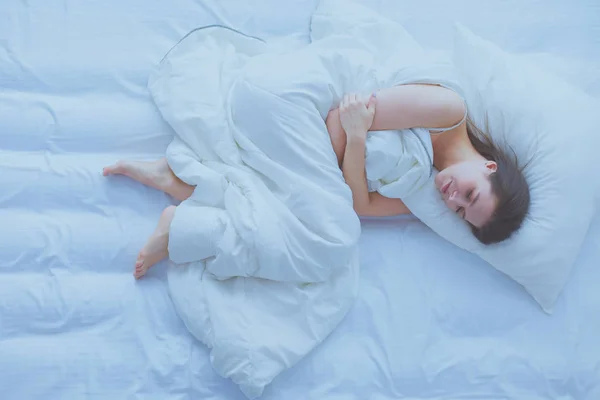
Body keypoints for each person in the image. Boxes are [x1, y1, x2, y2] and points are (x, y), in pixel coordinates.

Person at [103, 84, 529, 279]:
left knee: (321, 230)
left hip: (322, 157)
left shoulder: (428, 192)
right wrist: (355, 145)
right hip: (301, 116)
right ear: (489, 166)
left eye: (459, 211)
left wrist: (358, 143)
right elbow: (341, 122)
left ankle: (173, 186)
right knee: (330, 240)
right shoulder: (446, 111)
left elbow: (361, 204)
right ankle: (183, 222)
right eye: (469, 194)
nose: (451, 197)